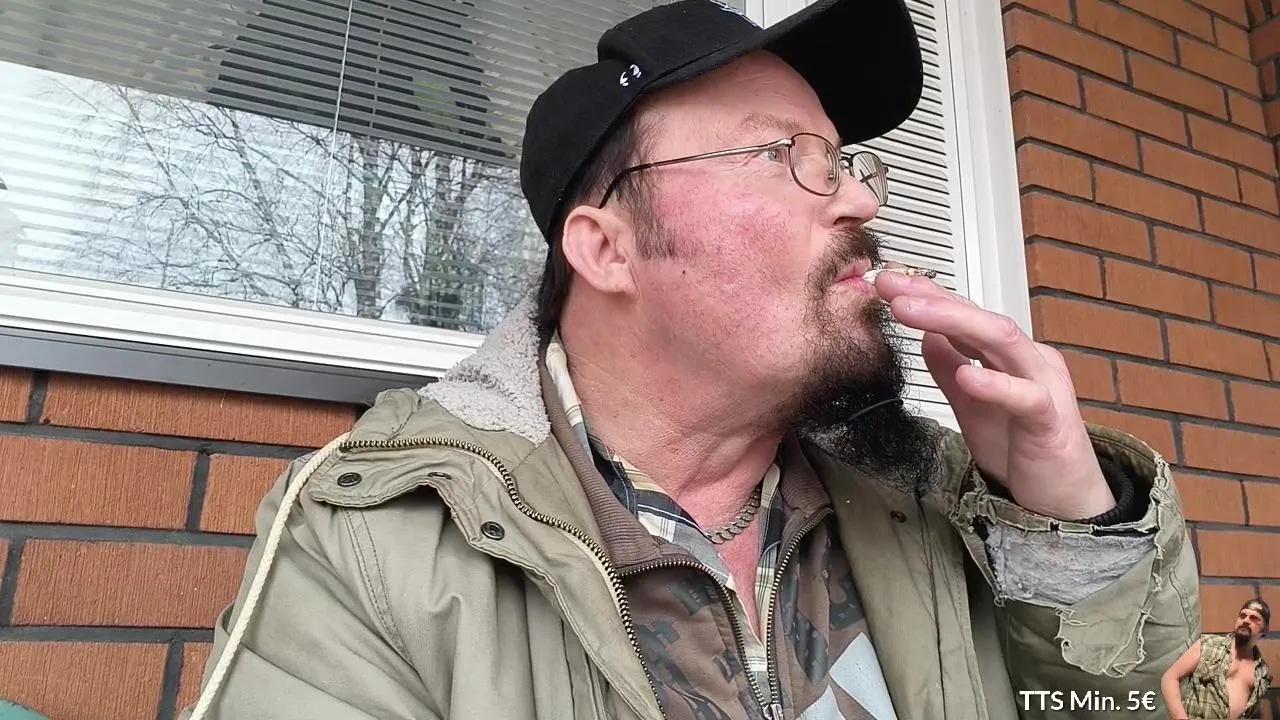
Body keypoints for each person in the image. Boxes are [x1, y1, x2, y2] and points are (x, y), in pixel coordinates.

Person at [180, 0, 1201, 718]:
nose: (859, 198)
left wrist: (1074, 524)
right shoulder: (379, 542)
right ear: (607, 249)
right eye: (784, 155)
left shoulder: (941, 497)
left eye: (845, 161)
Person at [1162, 599, 1272, 720]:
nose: (1246, 620)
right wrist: (1180, 717)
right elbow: (1170, 678)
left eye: (1254, 618)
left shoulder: (1262, 672)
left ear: (1265, 629)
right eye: (1242, 615)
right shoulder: (1208, 645)